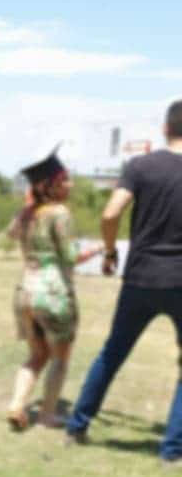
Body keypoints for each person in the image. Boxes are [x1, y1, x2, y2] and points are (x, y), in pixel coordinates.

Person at [67, 100, 182, 465]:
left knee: (113, 352)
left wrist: (111, 252)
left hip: (140, 277)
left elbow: (110, 212)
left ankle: (77, 425)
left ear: (165, 128)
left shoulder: (140, 166)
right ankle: (172, 450)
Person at [5, 148, 101, 430]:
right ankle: (48, 414)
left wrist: (27, 205)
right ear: (52, 185)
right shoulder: (59, 213)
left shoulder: (27, 214)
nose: (70, 185)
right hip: (54, 294)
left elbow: (10, 234)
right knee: (60, 356)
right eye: (65, 179)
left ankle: (16, 405)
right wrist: (97, 249)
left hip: (24, 292)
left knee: (37, 355)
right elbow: (71, 256)